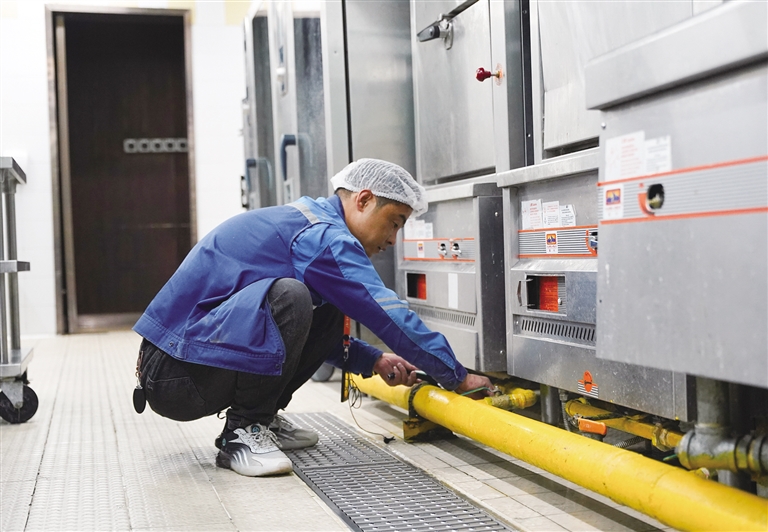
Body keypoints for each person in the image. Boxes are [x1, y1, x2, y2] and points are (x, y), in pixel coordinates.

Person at [133, 158, 494, 477]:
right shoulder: (323, 237)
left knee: (324, 303)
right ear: (364, 200)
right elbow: (386, 311)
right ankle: (243, 432)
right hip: (175, 375)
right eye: (394, 222)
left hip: (184, 366)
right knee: (291, 296)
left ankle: (262, 418)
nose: (393, 239)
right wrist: (456, 376)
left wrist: (373, 360)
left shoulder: (308, 224)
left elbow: (304, 330)